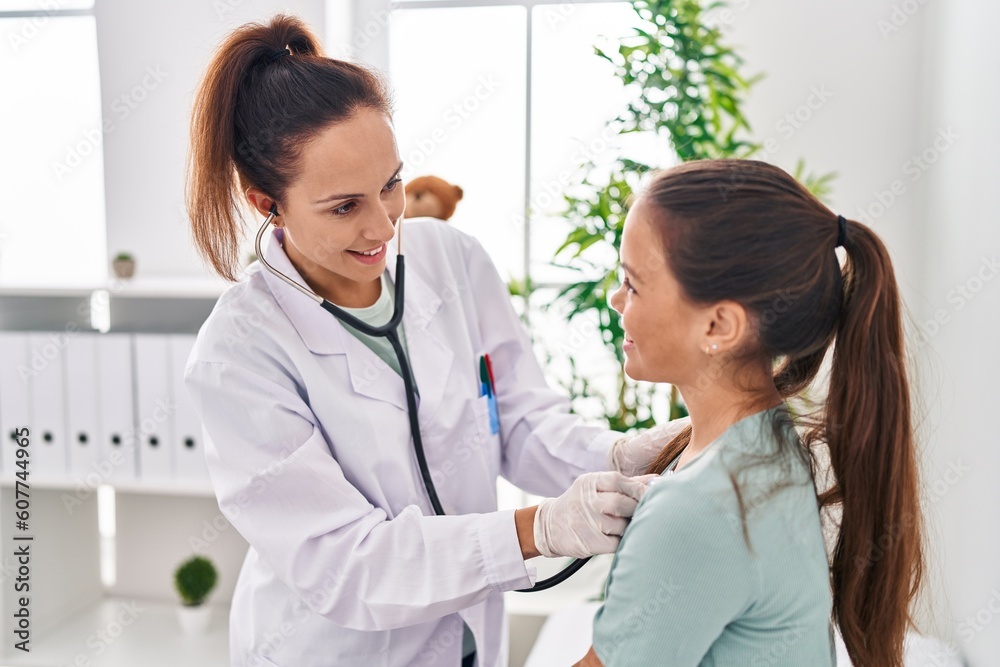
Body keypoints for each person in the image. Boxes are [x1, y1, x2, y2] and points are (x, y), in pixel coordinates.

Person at [182, 14, 681, 667]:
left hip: (470, 640)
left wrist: (619, 454)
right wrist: (538, 529)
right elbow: (347, 563)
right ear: (265, 202)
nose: (383, 225)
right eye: (344, 206)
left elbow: (518, 422)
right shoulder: (239, 354)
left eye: (390, 184)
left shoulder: (451, 261)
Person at [574, 159, 924, 667]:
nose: (615, 299)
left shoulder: (699, 508)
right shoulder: (768, 441)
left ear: (719, 326)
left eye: (633, 284)